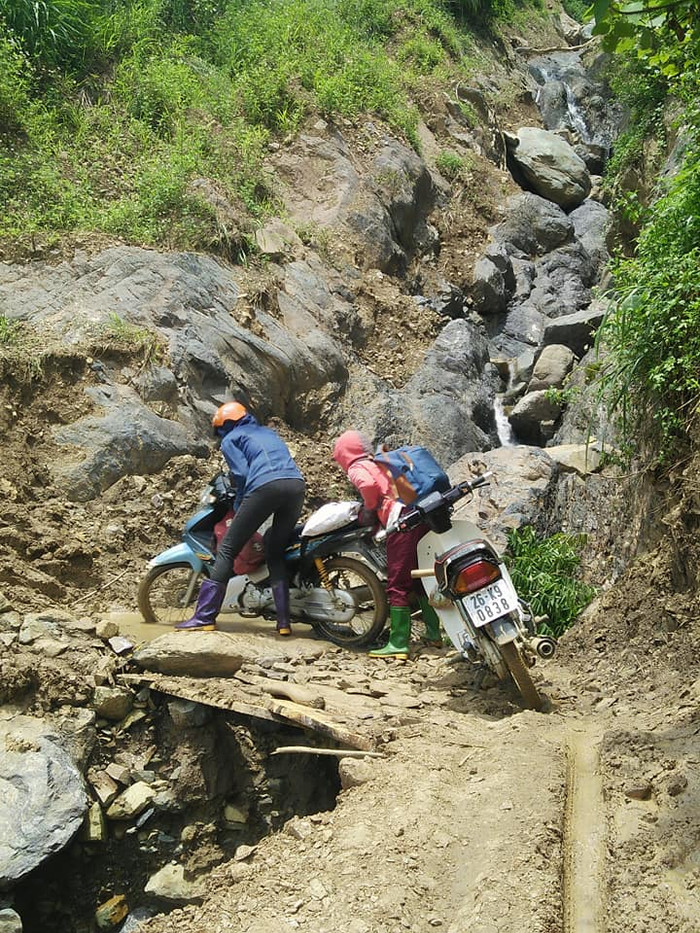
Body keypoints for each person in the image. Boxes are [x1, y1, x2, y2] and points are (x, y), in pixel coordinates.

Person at [177, 401, 306, 635]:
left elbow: (242, 474)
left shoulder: (230, 440)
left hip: (265, 487)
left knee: (227, 549)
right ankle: (284, 623)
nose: (220, 436)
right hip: (296, 486)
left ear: (225, 425)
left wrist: (238, 506)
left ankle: (204, 617)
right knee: (274, 550)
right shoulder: (268, 432)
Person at [332, 430, 442, 660]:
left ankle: (398, 643)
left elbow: (370, 488)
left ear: (344, 452)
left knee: (397, 584)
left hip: (401, 520)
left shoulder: (357, 467)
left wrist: (368, 509)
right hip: (420, 514)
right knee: (418, 579)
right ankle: (434, 633)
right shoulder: (379, 461)